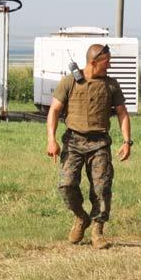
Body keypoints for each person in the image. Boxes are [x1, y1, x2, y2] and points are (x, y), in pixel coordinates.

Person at [46, 44, 132, 250]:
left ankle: (97, 231)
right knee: (66, 185)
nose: (109, 66)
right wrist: (52, 140)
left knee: (101, 188)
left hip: (99, 143)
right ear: (93, 62)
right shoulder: (69, 82)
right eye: (107, 62)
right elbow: (54, 111)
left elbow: (122, 113)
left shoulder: (111, 85)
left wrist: (127, 141)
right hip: (74, 142)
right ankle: (80, 217)